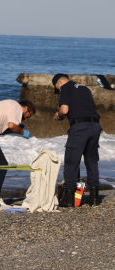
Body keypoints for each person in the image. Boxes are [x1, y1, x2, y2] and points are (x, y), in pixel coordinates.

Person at [52, 73, 101, 207]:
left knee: (71, 161)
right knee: (91, 160)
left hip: (80, 127)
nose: (58, 90)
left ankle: (69, 198)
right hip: (95, 126)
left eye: (57, 87)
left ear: (60, 82)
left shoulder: (65, 87)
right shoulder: (84, 88)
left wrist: (58, 115)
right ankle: (94, 197)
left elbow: (64, 110)